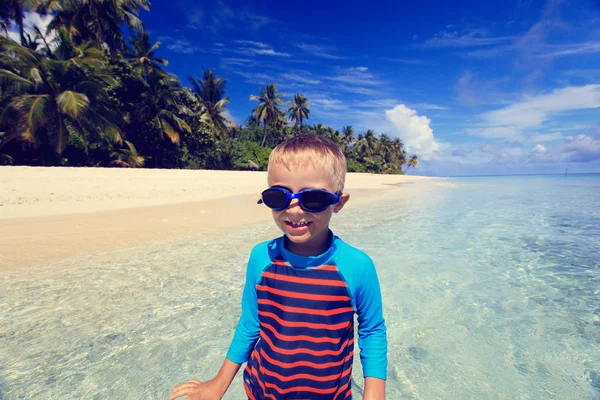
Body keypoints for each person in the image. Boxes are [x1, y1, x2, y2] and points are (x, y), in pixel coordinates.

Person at [169, 135, 387, 400]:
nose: (294, 209)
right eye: (278, 196)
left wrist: (375, 393)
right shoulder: (261, 258)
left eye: (313, 199)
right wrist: (219, 383)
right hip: (263, 390)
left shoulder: (357, 266)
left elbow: (372, 331)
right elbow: (251, 323)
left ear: (338, 202)